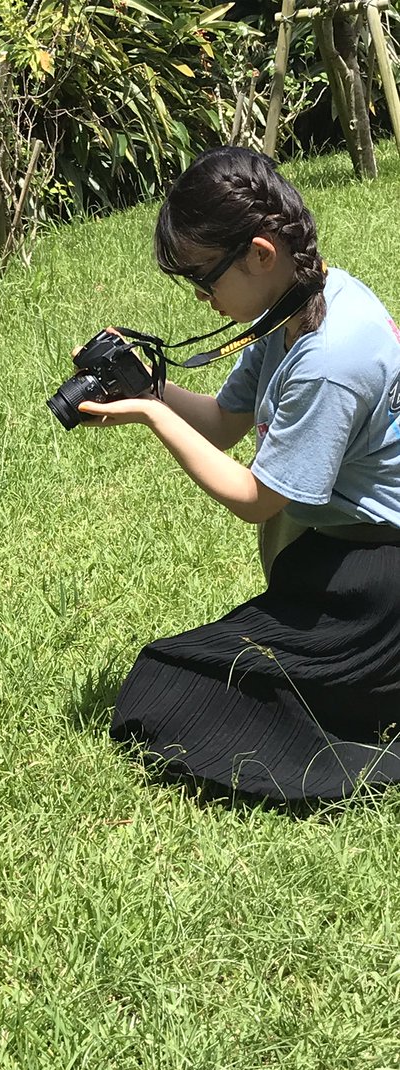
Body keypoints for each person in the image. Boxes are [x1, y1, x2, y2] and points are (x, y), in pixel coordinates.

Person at [77, 145, 400, 801]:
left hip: (374, 584)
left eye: (205, 279)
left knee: (166, 688)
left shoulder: (329, 355)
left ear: (260, 252)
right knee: (194, 678)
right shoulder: (298, 303)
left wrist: (150, 418)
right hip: (337, 559)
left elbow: (256, 499)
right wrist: (144, 387)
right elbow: (225, 421)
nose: (203, 300)